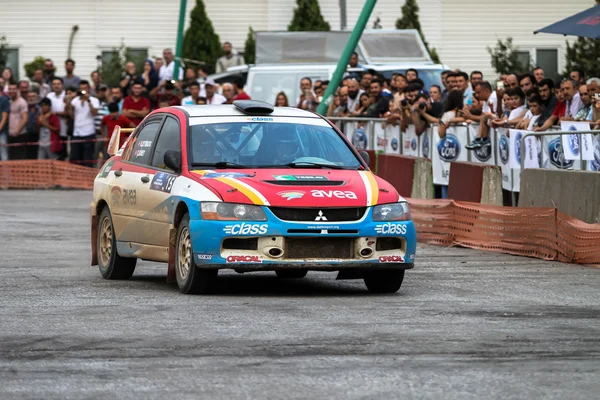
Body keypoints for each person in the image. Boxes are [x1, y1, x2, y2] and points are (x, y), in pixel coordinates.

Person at [436, 90, 465, 198]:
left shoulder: (447, 115)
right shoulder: (465, 113)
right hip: (461, 155)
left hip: (450, 155)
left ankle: (445, 202)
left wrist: (447, 122)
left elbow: (441, 133)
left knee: (446, 181)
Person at [66, 80, 100, 167]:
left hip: (88, 132)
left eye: (85, 88)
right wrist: (69, 103)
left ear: (88, 89)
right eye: (81, 89)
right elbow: (71, 115)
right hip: (77, 132)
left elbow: (94, 113)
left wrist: (88, 101)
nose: (83, 90)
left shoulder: (94, 100)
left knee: (87, 158)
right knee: (74, 158)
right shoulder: (75, 100)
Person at [0, 80, 9, 160]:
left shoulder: (4, 100)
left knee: (3, 155)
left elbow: (4, 118)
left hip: (1, 133)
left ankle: (5, 172)